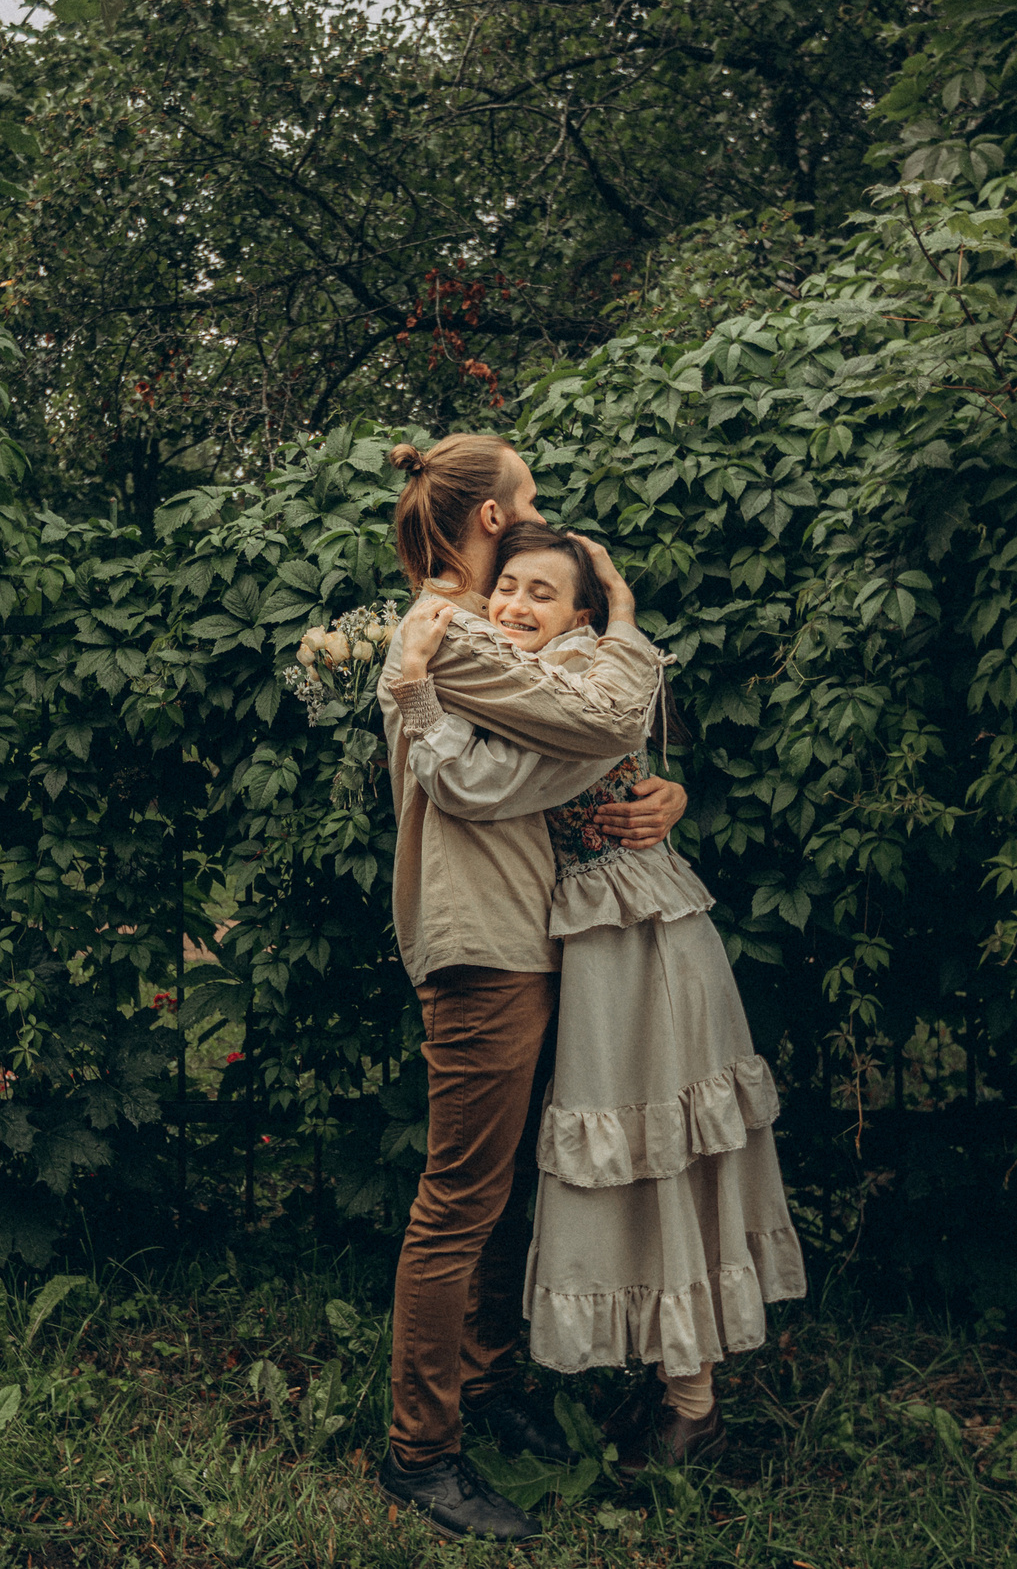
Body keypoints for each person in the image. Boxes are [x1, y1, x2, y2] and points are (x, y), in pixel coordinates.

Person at [392, 524, 805, 1474]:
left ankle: (690, 1410)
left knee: (661, 1152)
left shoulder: (579, 678)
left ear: (581, 614)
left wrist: (415, 686)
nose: (515, 607)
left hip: (641, 939)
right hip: (602, 938)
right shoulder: (542, 674)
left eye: (544, 593)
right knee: (635, 1154)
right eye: (508, 587)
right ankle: (673, 1392)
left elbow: (476, 778)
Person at [370, 435, 688, 1542]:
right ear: (496, 519)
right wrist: (627, 612)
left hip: (532, 927)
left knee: (501, 1189)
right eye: (533, 499)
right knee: (458, 1199)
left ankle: (489, 1385)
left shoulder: (465, 635)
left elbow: (561, 768)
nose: (543, 509)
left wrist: (663, 796)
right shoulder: (447, 633)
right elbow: (600, 724)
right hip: (482, 940)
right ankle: (421, 1451)